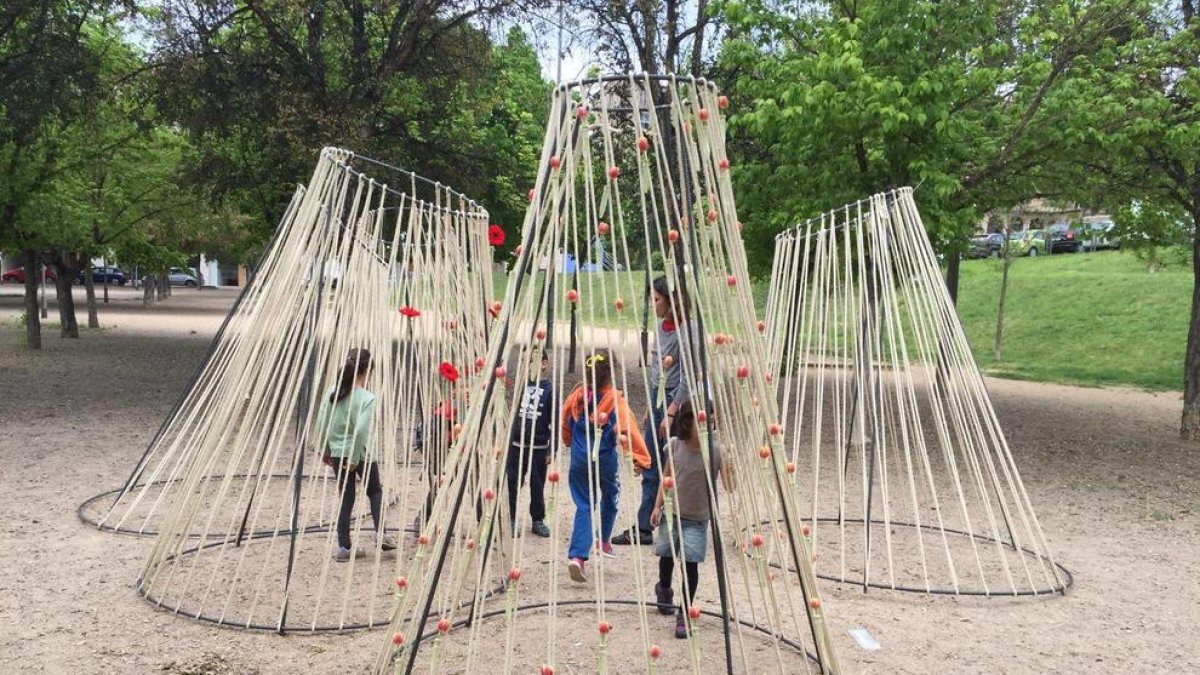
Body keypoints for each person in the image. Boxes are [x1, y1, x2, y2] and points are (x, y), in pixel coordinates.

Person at [614, 276, 692, 546]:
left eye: (657, 300)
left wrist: (671, 409)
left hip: (676, 404)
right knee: (649, 462)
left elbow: (688, 376)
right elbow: (659, 369)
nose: (653, 304)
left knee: (670, 463)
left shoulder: (687, 332)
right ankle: (646, 525)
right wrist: (651, 403)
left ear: (671, 302)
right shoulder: (662, 328)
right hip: (659, 400)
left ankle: (668, 525)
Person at [561, 348, 651, 582]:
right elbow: (628, 428)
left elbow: (565, 422)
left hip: (579, 461)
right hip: (604, 462)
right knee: (610, 494)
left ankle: (578, 557)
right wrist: (641, 459)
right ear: (611, 374)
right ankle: (602, 539)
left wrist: (569, 440)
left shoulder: (576, 397)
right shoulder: (614, 402)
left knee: (584, 505)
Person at [650, 398, 724, 638]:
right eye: (702, 421)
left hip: (698, 519)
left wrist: (730, 464)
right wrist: (656, 506)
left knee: (690, 565)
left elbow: (731, 487)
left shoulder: (715, 451)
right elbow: (666, 478)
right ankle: (664, 588)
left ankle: (684, 613)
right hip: (672, 513)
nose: (707, 425)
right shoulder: (675, 446)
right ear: (688, 421)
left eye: (710, 421)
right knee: (667, 556)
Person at [316, 348, 396, 561]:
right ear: (368, 371)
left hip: (337, 452)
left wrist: (325, 449)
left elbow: (322, 421)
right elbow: (360, 431)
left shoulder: (333, 392)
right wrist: (353, 459)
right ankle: (380, 533)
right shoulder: (367, 398)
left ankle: (344, 547)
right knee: (375, 490)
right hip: (361, 453)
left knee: (346, 496)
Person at [507, 350, 554, 538]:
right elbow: (512, 417)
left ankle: (537, 519)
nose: (528, 365)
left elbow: (555, 421)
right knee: (512, 482)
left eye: (532, 361)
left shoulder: (550, 389)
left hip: (539, 447)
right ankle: (510, 517)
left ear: (544, 364)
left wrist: (552, 449)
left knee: (537, 484)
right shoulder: (521, 386)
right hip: (517, 445)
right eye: (525, 361)